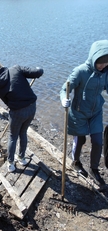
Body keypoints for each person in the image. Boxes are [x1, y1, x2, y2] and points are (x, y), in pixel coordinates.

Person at [60, 40, 108, 189]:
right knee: (80, 141)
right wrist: (64, 99)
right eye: (100, 63)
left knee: (98, 142)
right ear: (94, 58)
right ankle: (76, 162)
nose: (103, 66)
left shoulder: (106, 73)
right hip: (79, 113)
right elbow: (64, 88)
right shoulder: (80, 71)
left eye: (106, 63)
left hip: (96, 112)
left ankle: (94, 169)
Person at [0, 58, 44, 172]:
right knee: (23, 132)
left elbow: (7, 102)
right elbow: (38, 72)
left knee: (13, 136)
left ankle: (11, 164)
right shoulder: (16, 69)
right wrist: (38, 69)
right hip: (31, 107)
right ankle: (22, 158)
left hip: (17, 112)